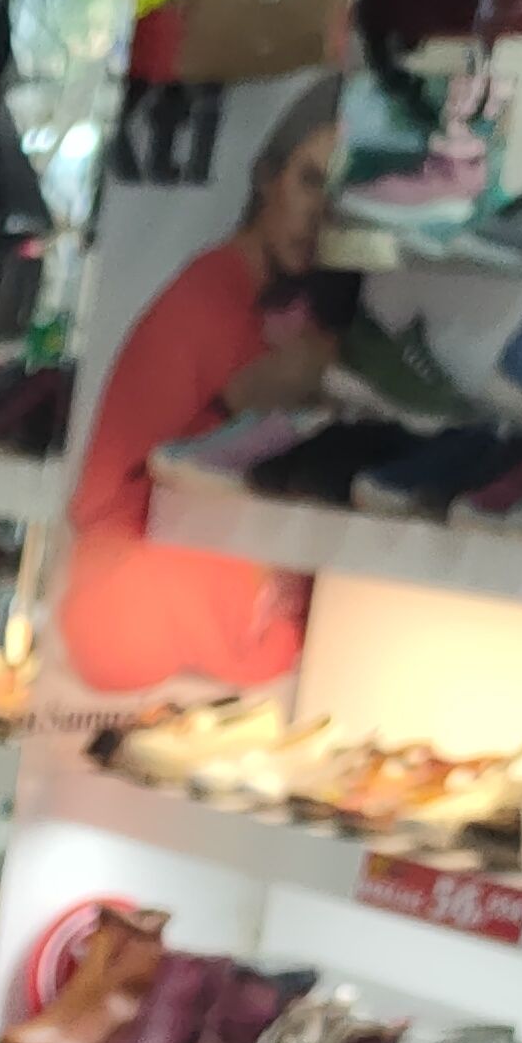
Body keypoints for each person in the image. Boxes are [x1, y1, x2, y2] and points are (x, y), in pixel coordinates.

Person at [56, 76, 340, 699]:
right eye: (309, 181)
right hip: (140, 610)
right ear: (268, 178)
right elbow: (103, 500)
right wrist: (233, 405)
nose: (319, 214)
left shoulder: (290, 307)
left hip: (216, 621)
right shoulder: (205, 300)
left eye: (337, 193)